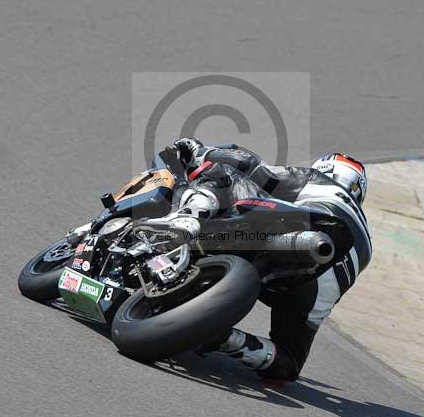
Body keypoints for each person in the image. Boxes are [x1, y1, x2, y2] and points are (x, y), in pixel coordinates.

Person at [149, 138, 372, 382]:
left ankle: (187, 217)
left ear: (326, 171)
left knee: (226, 174)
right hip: (311, 290)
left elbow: (255, 168)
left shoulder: (320, 183)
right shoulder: (365, 245)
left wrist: (200, 151)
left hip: (291, 231)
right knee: (289, 361)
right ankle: (229, 340)